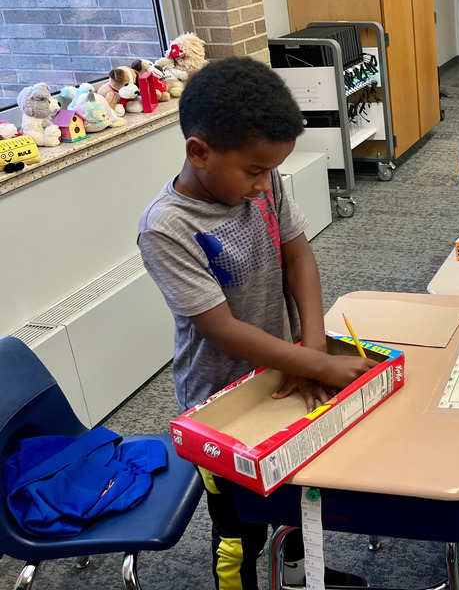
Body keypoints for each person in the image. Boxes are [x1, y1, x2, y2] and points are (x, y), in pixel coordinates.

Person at [138, 57, 372, 590]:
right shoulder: (166, 227)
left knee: (296, 488)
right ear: (199, 151)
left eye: (271, 171)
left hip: (286, 369)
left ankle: (294, 569)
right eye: (252, 171)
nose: (264, 184)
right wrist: (313, 362)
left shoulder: (264, 185)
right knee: (240, 531)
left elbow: (298, 258)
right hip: (221, 402)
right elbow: (220, 328)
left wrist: (312, 351)